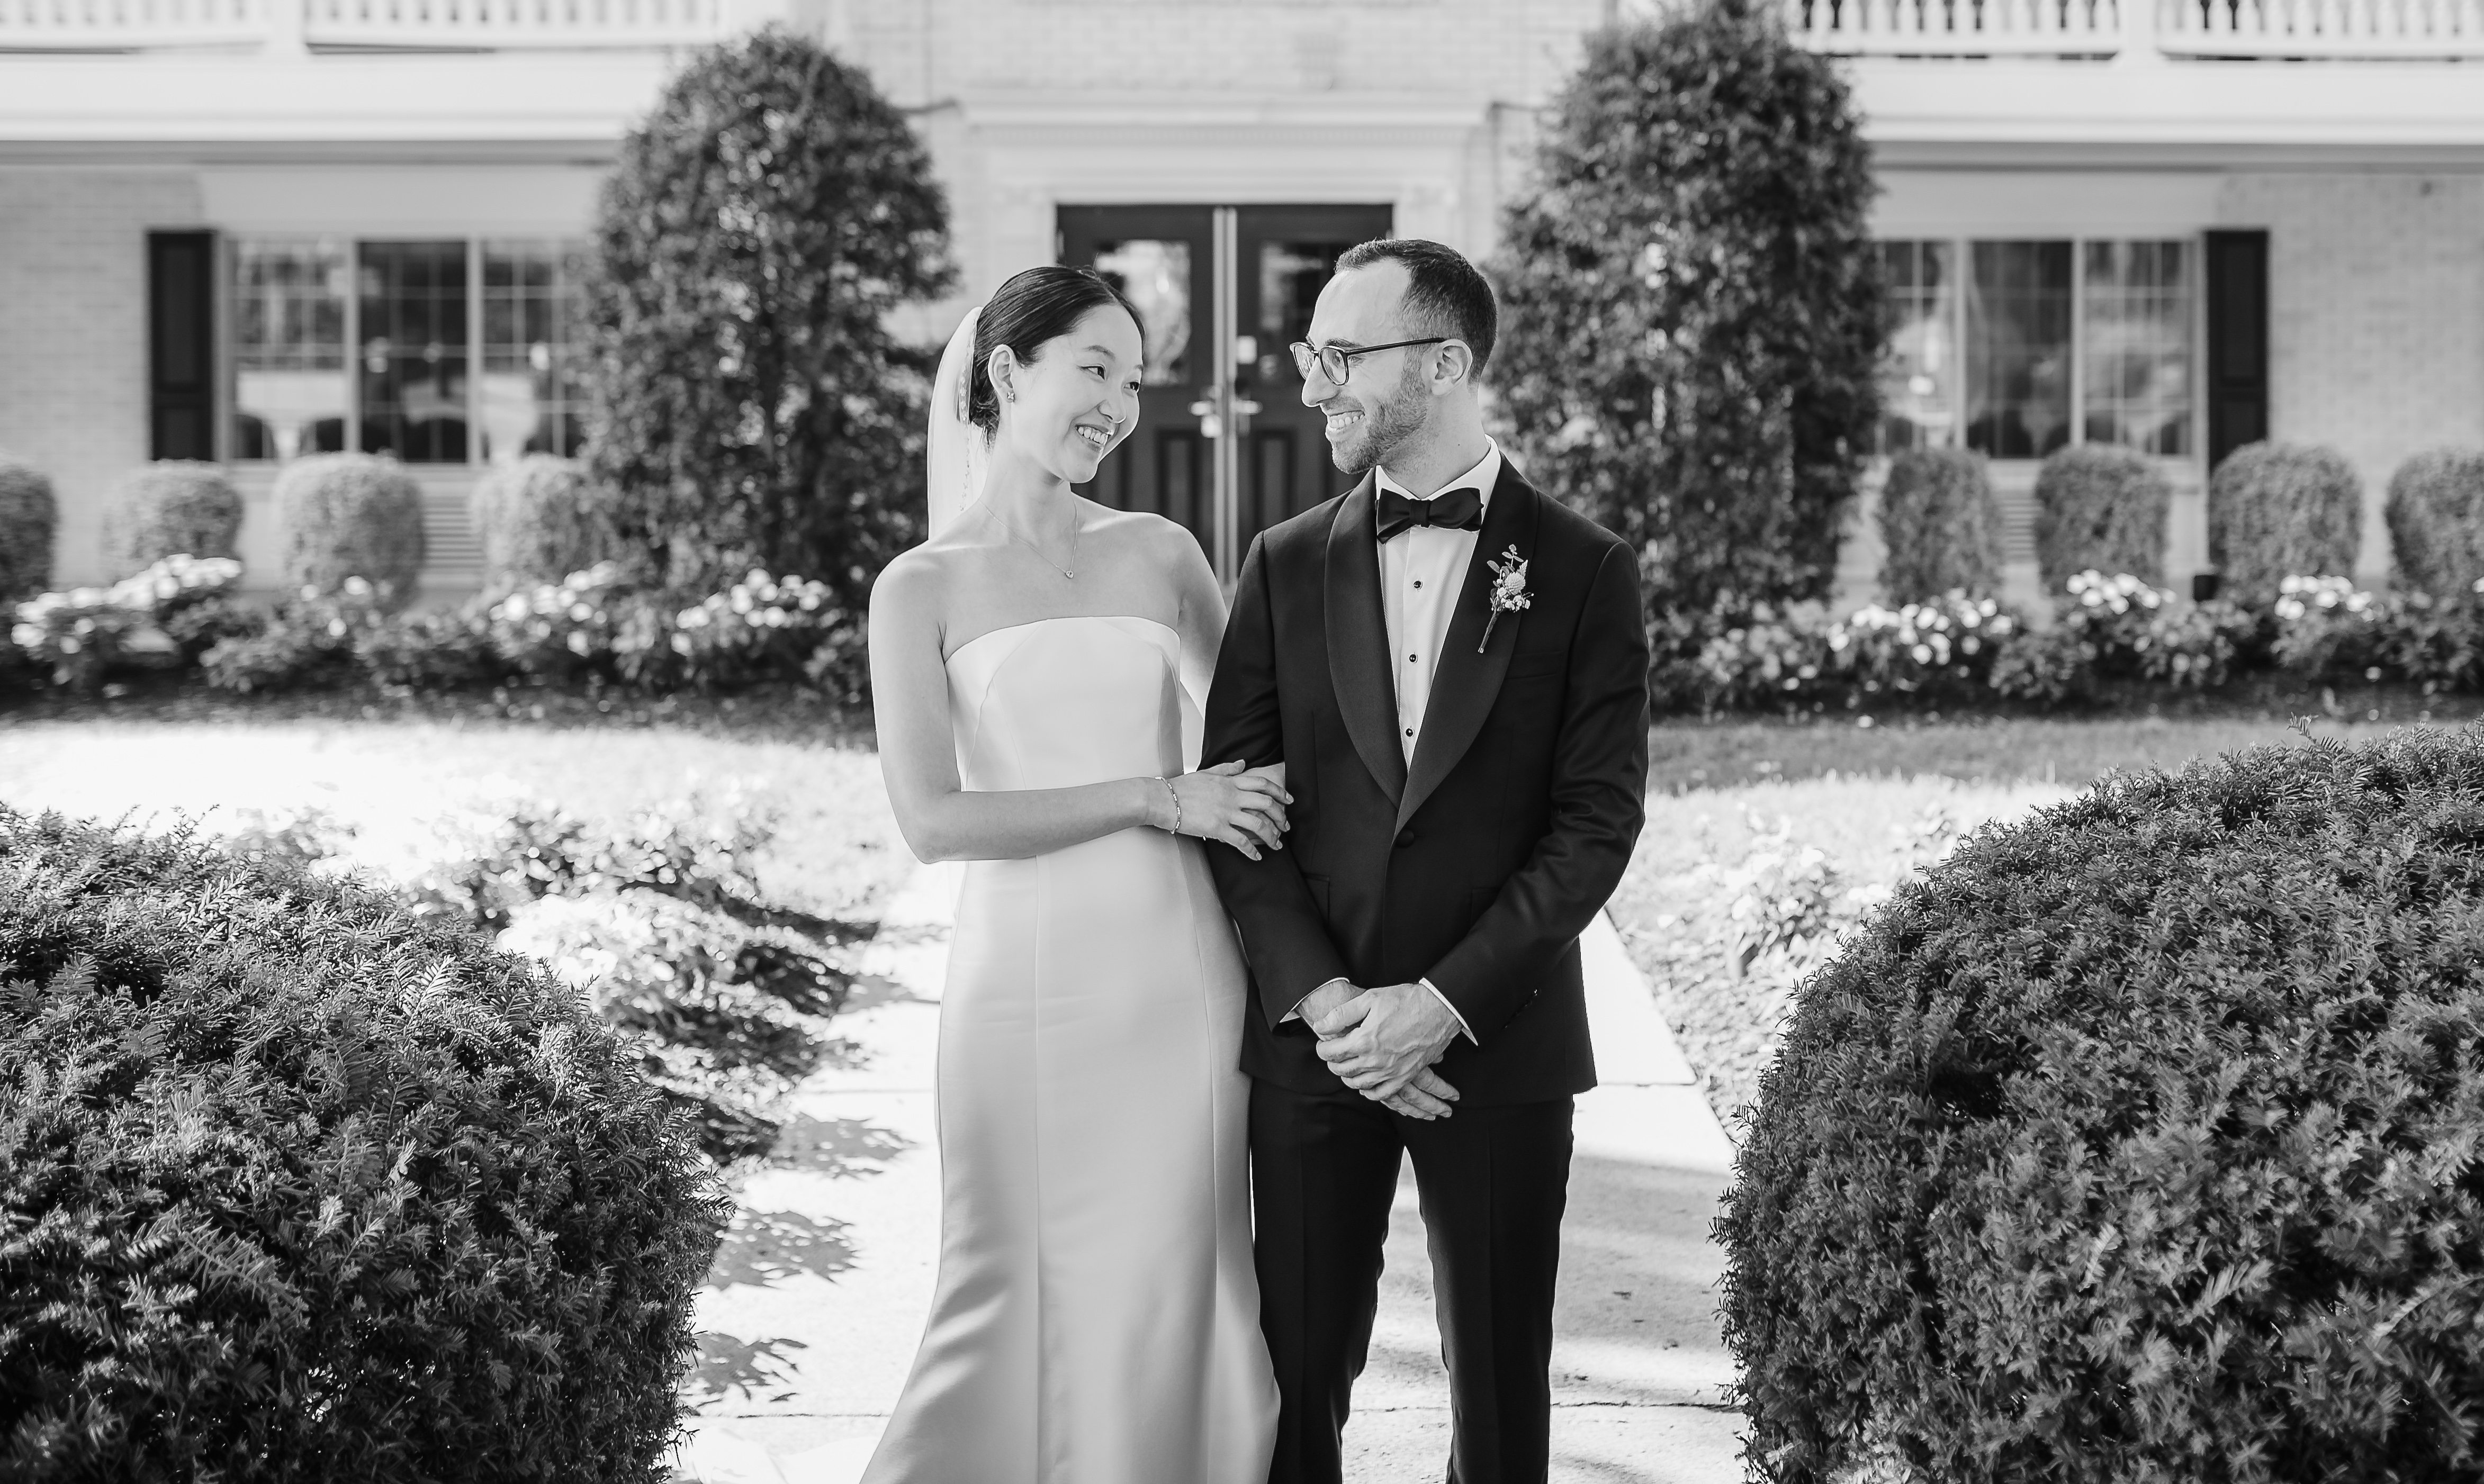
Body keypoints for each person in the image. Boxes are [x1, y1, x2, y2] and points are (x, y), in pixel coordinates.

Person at [1202, 238, 1651, 1484]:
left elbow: (1594, 827)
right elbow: (1243, 817)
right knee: (1295, 1382)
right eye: (1313, 356)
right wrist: (1338, 1006)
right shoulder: (1284, 565)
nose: (1316, 385)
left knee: (1502, 1390)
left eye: (1343, 356)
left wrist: (1439, 1004)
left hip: (1496, 1046)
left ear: (1446, 363)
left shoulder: (1583, 569)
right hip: (1317, 1041)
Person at [862, 265, 1281, 1484]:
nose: (1117, 404)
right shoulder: (918, 589)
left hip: (1178, 976)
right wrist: (1157, 796)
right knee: (1007, 1269)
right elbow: (934, 820)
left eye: (1132, 380)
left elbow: (1259, 750)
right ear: (1004, 373)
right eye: (1093, 368)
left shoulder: (1164, 556)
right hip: (1019, 991)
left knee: (1183, 1265)